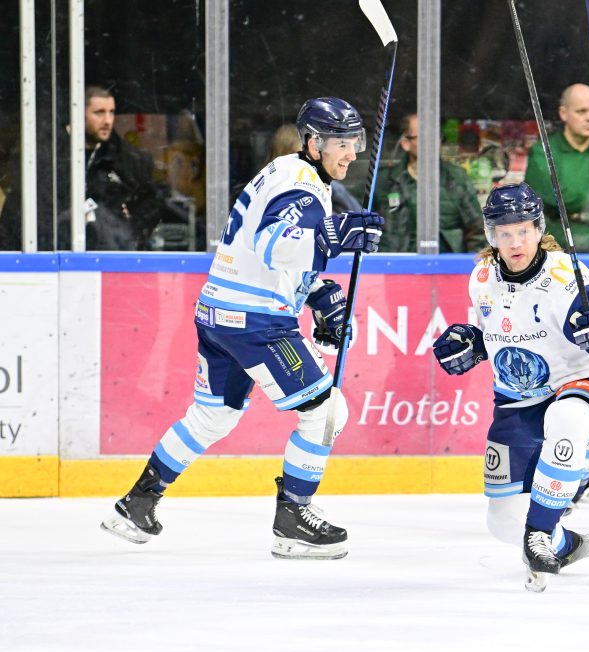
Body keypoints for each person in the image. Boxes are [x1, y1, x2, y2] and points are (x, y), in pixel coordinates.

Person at [101, 97, 383, 559]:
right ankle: (293, 518)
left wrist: (316, 292)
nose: (351, 152)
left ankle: (137, 503)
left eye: (356, 142)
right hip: (256, 322)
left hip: (219, 312)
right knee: (326, 412)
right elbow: (273, 244)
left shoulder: (286, 171)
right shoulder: (304, 186)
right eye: (340, 143)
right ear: (313, 143)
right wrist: (333, 236)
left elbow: (268, 255)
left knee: (213, 416)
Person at [431, 182, 589, 591]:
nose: (515, 241)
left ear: (539, 228)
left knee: (566, 416)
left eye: (524, 230)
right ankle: (564, 543)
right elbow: (489, 330)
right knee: (501, 521)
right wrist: (471, 344)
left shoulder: (567, 278)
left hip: (579, 385)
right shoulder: (481, 277)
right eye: (505, 232)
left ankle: (539, 533)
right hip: (517, 398)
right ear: (492, 236)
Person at [523, 84, 589, 252]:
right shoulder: (543, 152)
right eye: (581, 111)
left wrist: (582, 215)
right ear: (563, 113)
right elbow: (555, 197)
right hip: (555, 249)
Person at [374, 113, 487, 252]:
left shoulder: (456, 179)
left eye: (435, 136)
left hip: (447, 269)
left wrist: (469, 269)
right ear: (405, 143)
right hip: (395, 269)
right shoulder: (384, 181)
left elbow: (478, 232)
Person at [83, 86, 164, 250]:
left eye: (111, 112)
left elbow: (152, 202)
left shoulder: (128, 158)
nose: (108, 121)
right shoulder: (56, 154)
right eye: (99, 113)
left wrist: (130, 230)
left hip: (115, 254)